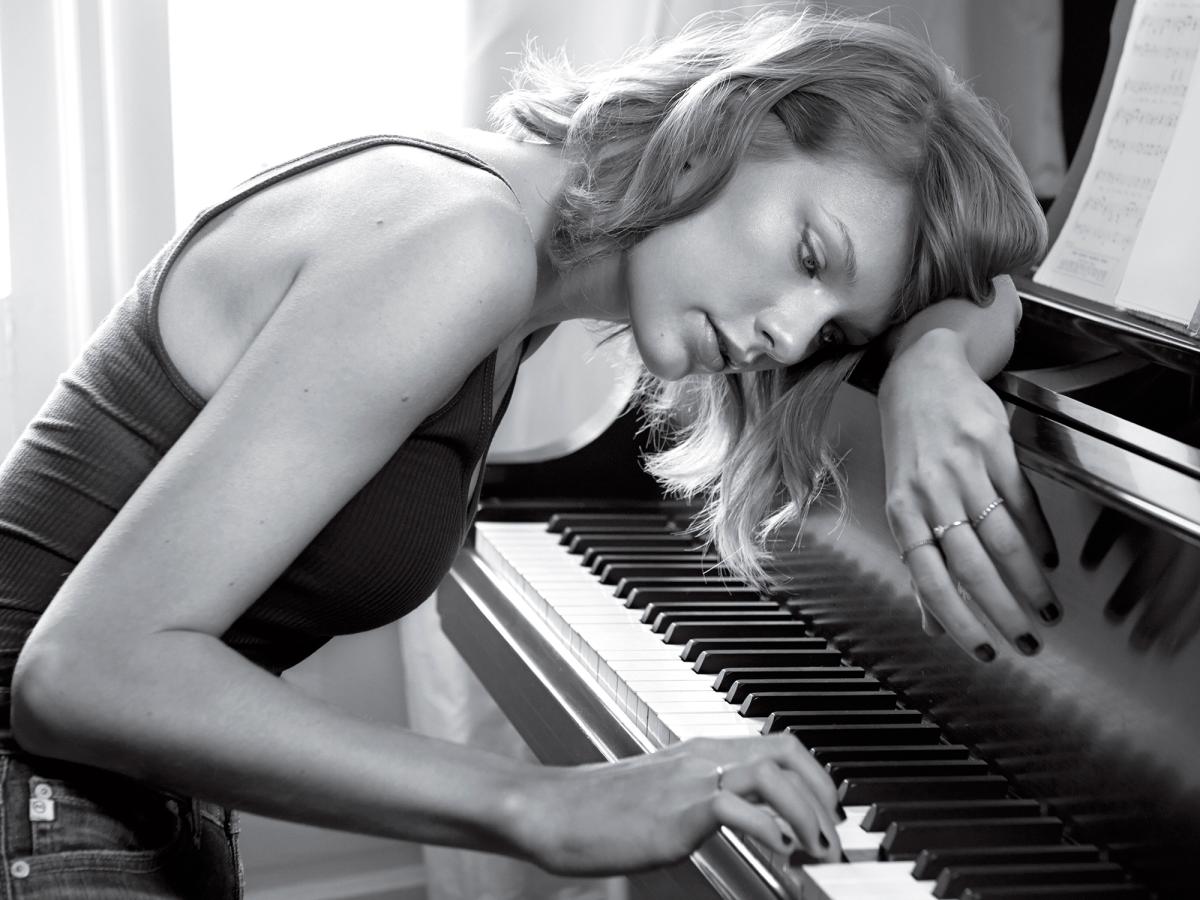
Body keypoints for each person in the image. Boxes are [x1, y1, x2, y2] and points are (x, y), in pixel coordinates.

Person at [0, 6, 1056, 895]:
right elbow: (78, 672)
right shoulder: (459, 243)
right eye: (810, 255)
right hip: (33, 798)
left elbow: (999, 283)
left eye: (837, 332)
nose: (788, 335)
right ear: (731, 123)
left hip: (105, 801)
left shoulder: (511, 236)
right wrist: (538, 804)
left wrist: (932, 362)